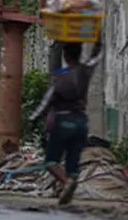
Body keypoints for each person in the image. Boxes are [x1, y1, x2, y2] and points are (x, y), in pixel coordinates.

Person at [28, 37, 103, 205]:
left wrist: (34, 118)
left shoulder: (59, 76)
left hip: (63, 121)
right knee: (73, 161)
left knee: (52, 161)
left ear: (65, 55)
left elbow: (48, 100)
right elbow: (97, 55)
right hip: (81, 122)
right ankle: (70, 181)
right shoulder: (86, 72)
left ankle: (66, 182)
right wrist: (98, 37)